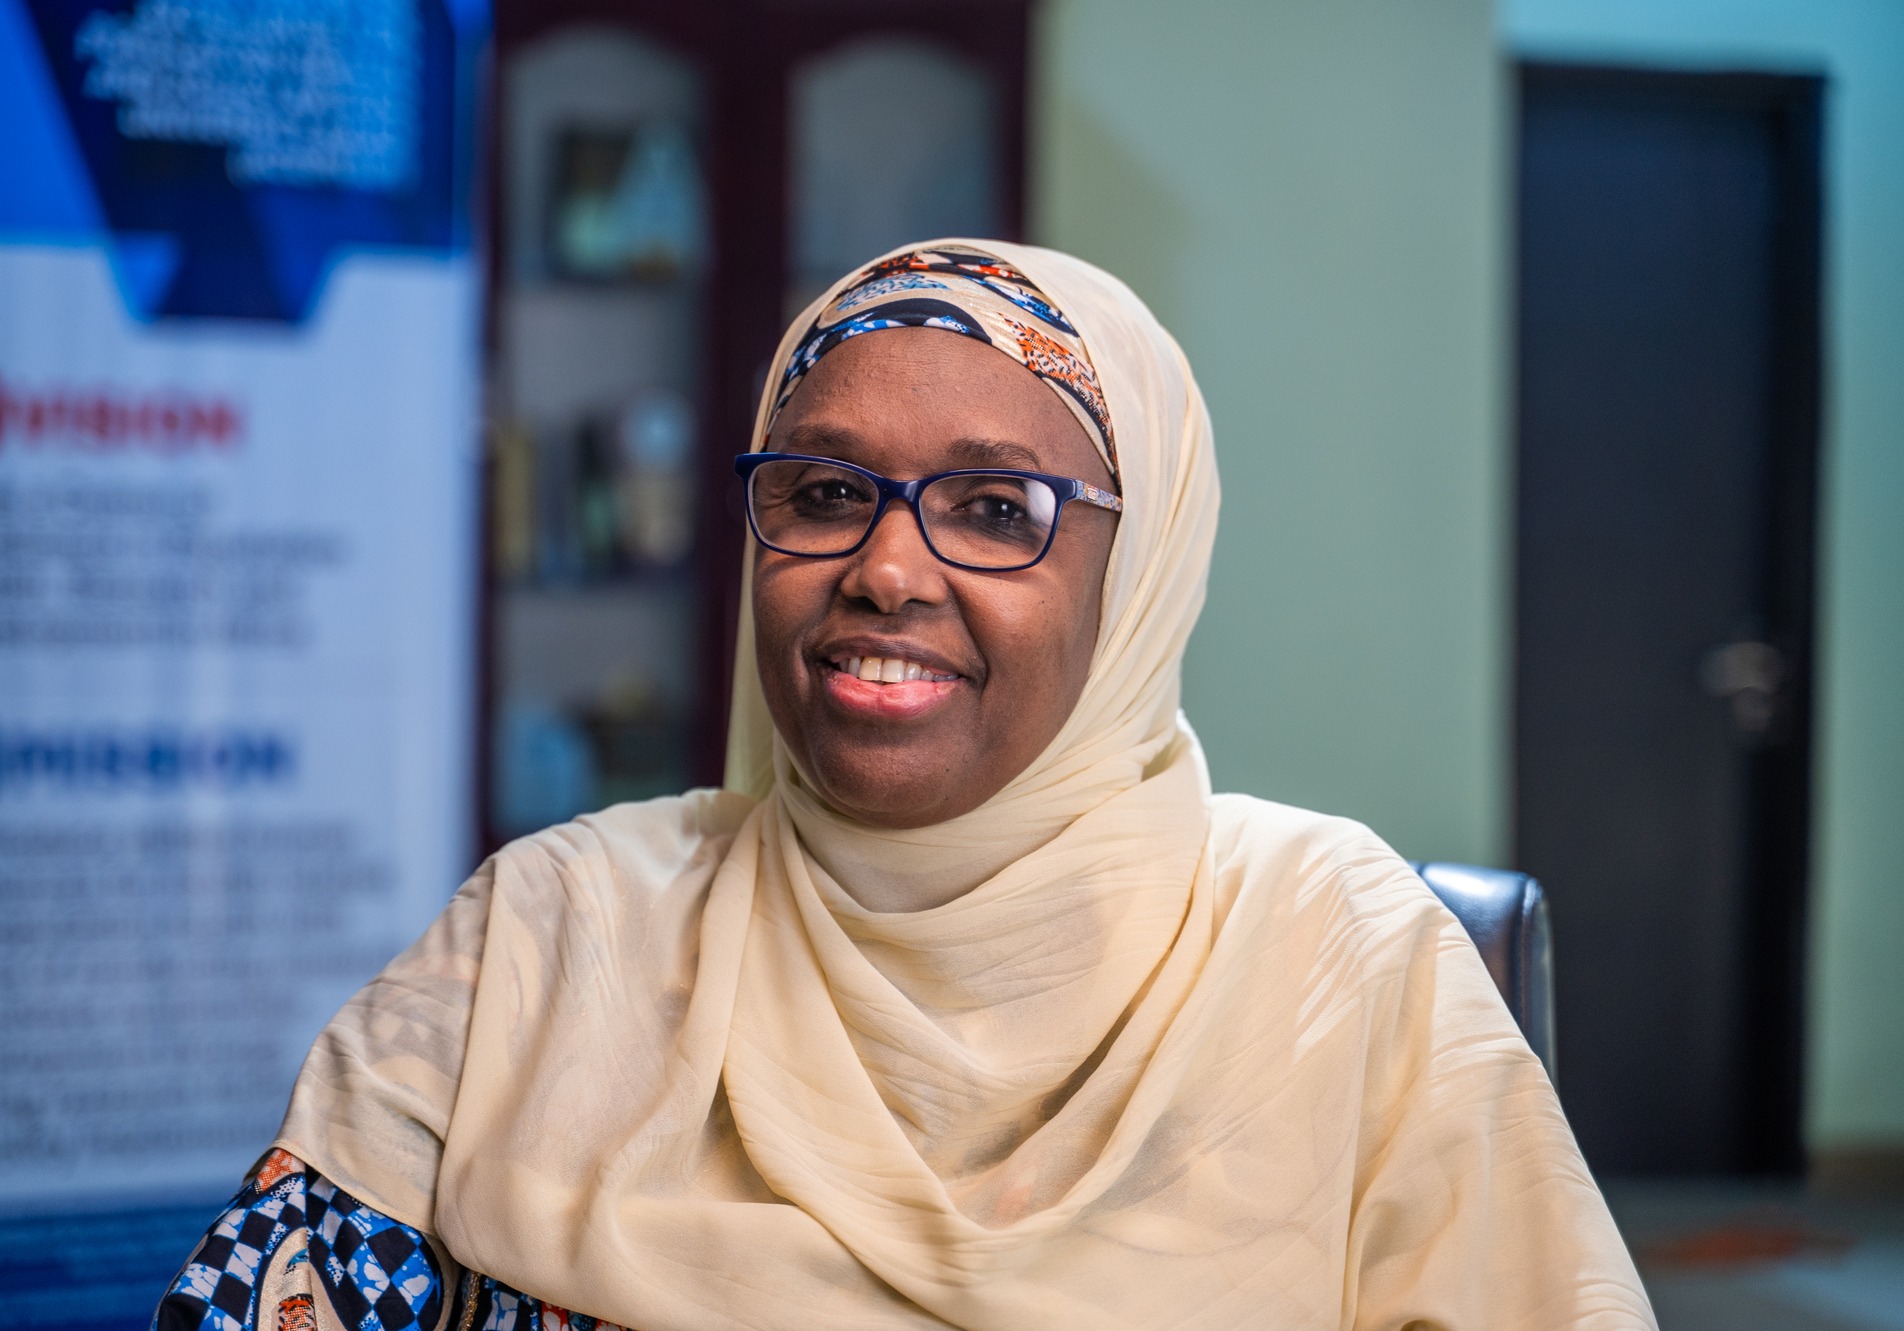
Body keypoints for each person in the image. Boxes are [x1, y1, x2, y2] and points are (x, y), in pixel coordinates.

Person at [155, 242, 1654, 1331]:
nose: (883, 569)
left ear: (1134, 584)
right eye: (822, 493)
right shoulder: (556, 932)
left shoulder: (1341, 957)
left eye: (995, 508)